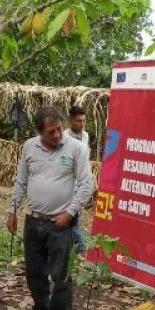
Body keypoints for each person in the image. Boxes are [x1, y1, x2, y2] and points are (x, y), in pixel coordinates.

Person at [7, 107, 93, 310]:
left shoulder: (76, 148)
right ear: (39, 132)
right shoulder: (29, 147)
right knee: (34, 272)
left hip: (60, 223)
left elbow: (87, 185)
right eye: (50, 132)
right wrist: (12, 209)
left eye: (59, 129)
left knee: (61, 275)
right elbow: (21, 180)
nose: (57, 135)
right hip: (33, 220)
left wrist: (70, 213)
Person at [64, 106, 90, 256]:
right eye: (79, 121)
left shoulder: (85, 136)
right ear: (71, 120)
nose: (82, 124)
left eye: (84, 121)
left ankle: (72, 251)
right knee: (73, 219)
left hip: (81, 185)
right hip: (67, 185)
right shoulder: (64, 138)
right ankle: (82, 251)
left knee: (73, 218)